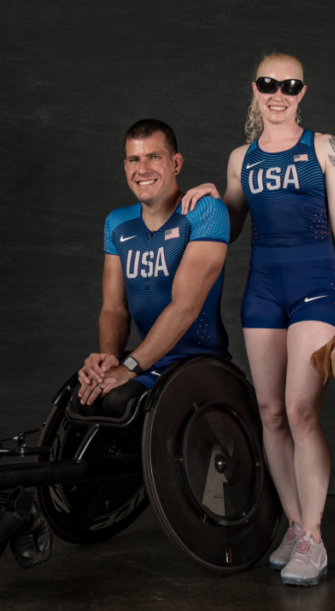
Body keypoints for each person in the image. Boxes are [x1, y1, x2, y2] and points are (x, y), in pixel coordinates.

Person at [180, 53, 335, 586]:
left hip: (316, 287)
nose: (278, 93)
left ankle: (315, 534)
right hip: (263, 289)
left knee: (301, 409)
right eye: (268, 83)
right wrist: (213, 196)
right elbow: (233, 225)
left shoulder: (326, 148)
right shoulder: (242, 158)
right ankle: (294, 526)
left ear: (302, 91)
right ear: (256, 88)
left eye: (290, 85)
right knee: (270, 412)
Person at [76, 120, 230, 415]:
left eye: (154, 157)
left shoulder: (206, 211)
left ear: (176, 163)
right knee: (84, 400)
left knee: (118, 401)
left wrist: (128, 368)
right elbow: (114, 309)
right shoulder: (117, 222)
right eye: (134, 159)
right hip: (148, 360)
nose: (142, 169)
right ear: (125, 166)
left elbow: (184, 307)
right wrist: (107, 361)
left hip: (196, 361)